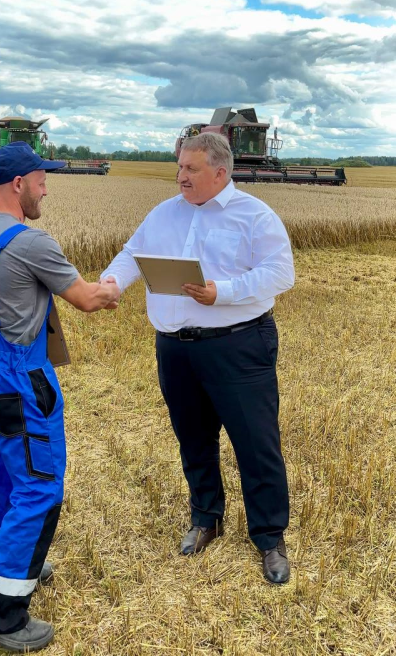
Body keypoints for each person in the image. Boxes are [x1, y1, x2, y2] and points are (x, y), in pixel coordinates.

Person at [0, 141, 120, 652]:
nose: (47, 189)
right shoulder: (31, 242)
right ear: (19, 183)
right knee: (40, 486)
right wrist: (112, 289)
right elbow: (86, 298)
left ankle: (7, 558)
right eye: (42, 180)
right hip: (21, 378)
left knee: (0, 469)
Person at [101, 132, 294, 583]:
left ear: (220, 172)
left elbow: (280, 272)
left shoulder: (254, 215)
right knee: (193, 438)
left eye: (191, 168)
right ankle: (207, 518)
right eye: (179, 167)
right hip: (175, 348)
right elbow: (132, 254)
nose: (181, 176)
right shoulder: (163, 213)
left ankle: (269, 537)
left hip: (238, 345)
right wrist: (111, 282)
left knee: (256, 443)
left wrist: (221, 292)